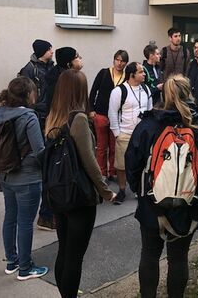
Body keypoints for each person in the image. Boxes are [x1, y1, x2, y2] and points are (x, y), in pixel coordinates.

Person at [125, 75, 198, 298]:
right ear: (189, 93)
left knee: (150, 255)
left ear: (164, 95)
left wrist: (142, 191)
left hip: (152, 205)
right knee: (178, 257)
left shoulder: (148, 125)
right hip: (189, 206)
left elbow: (131, 163)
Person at [45, 69, 116, 297]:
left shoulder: (53, 116)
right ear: (79, 91)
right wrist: (106, 192)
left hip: (59, 192)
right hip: (79, 195)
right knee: (75, 256)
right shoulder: (79, 119)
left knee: (64, 250)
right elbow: (90, 162)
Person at [0, 77, 48, 280]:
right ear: (28, 95)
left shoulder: (0, 114)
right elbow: (40, 150)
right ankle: (25, 268)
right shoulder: (29, 117)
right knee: (25, 222)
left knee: (10, 218)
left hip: (6, 176)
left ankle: (12, 261)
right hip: (28, 178)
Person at [18, 39, 55, 230]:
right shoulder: (30, 70)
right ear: (43, 51)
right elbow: (28, 97)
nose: (52, 51)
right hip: (39, 119)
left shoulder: (51, 67)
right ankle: (45, 215)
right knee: (45, 165)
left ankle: (48, 213)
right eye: (50, 49)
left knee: (48, 167)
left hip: (48, 117)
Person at [108, 62, 153, 204]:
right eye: (141, 72)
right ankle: (122, 189)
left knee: (143, 163)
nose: (144, 74)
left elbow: (150, 111)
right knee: (121, 165)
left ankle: (137, 189)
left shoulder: (146, 89)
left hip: (143, 135)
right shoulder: (119, 91)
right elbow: (112, 113)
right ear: (132, 74)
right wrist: (117, 133)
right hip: (125, 133)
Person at [88, 50, 129, 183]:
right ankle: (102, 173)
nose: (119, 63)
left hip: (117, 116)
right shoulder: (104, 72)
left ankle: (113, 171)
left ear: (126, 63)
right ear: (113, 60)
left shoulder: (126, 77)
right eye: (117, 59)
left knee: (114, 146)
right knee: (101, 146)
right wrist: (91, 109)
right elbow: (94, 90)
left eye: (122, 61)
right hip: (101, 113)